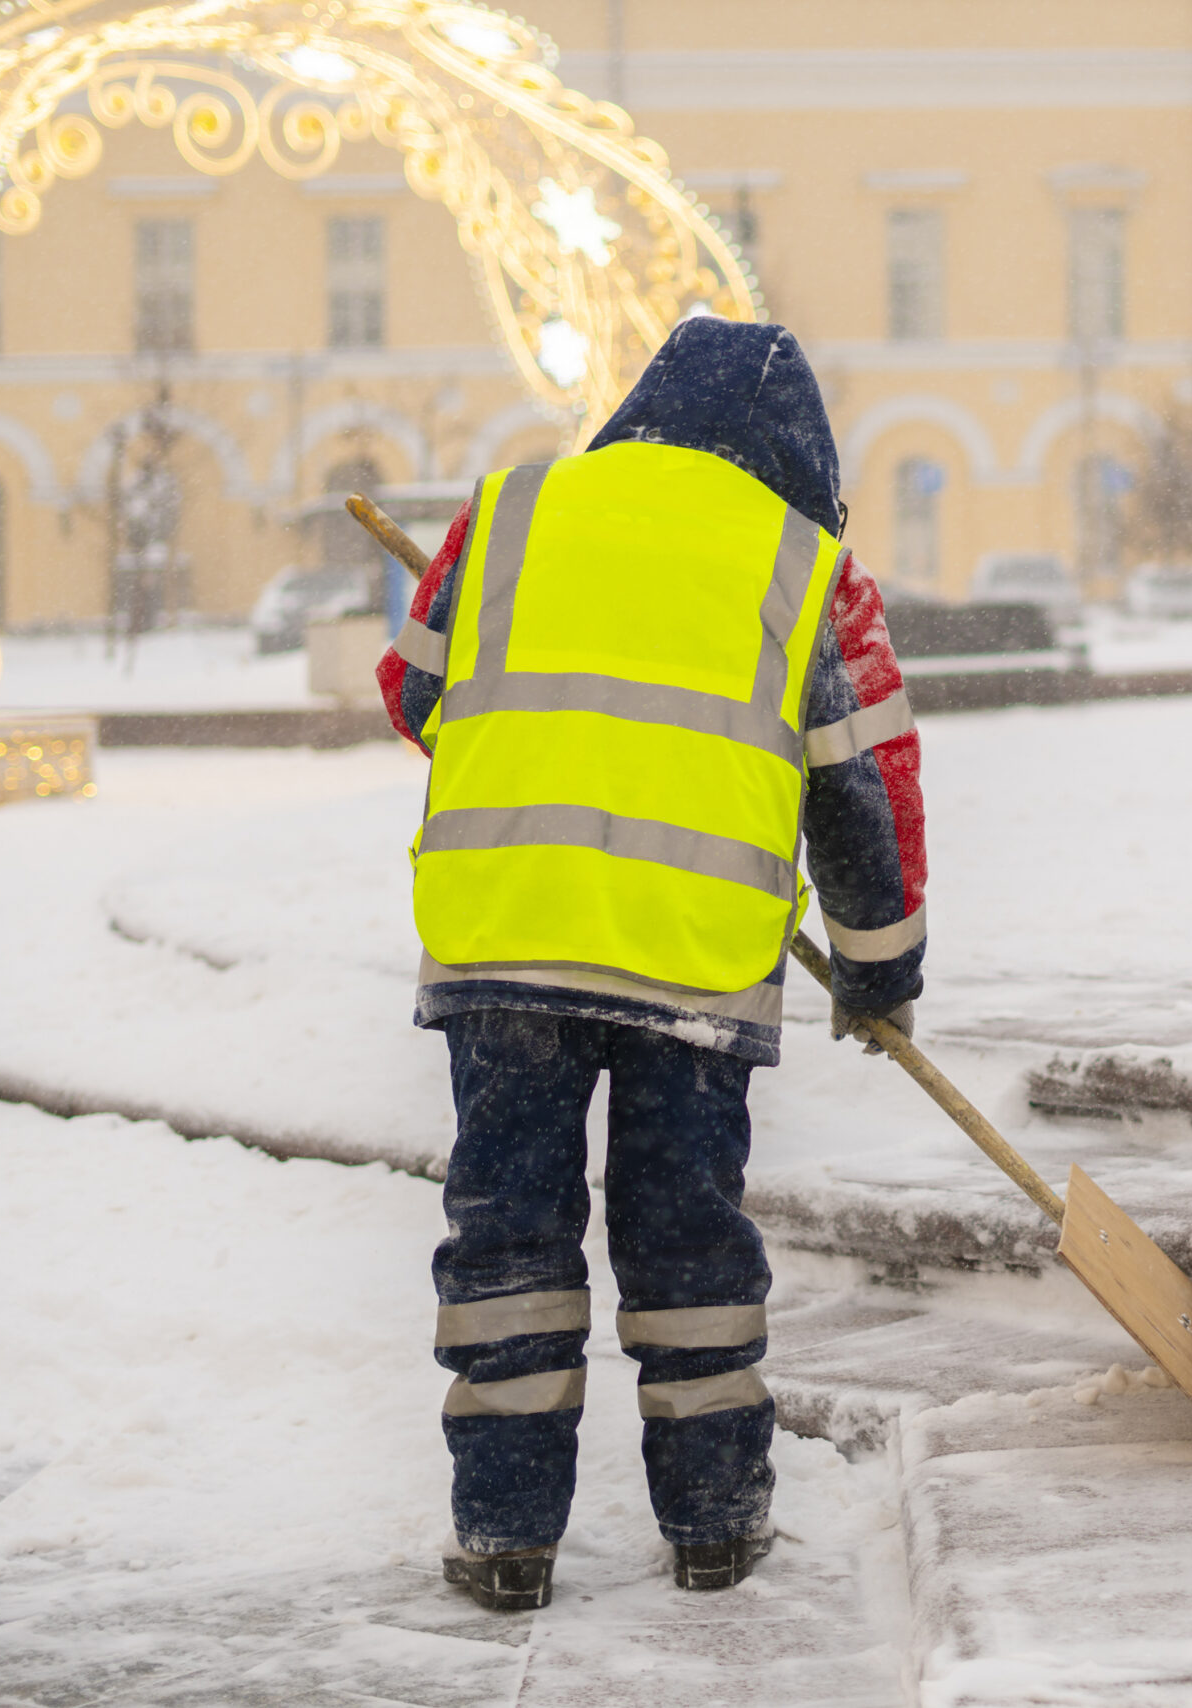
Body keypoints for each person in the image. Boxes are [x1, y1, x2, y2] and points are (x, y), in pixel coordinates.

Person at [374, 318, 927, 1612]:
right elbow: (860, 784)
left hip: (506, 936)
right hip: (689, 965)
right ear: (800, 454)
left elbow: (413, 692)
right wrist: (878, 964)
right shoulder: (806, 565)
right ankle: (715, 1522)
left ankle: (505, 1537)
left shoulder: (515, 510)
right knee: (686, 1242)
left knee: (508, 1234)